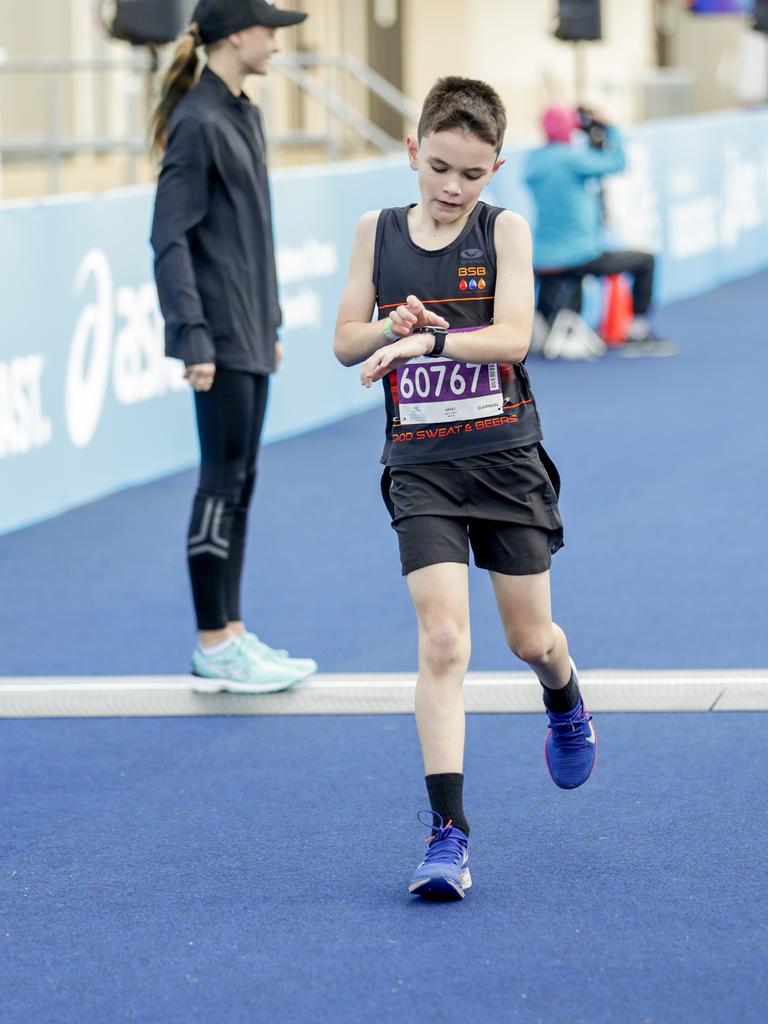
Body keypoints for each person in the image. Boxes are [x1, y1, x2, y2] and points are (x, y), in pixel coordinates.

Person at [333, 77, 596, 901]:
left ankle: (563, 692)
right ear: (413, 150)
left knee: (529, 640)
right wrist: (389, 328)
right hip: (420, 464)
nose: (451, 188)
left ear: (496, 168)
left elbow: (515, 339)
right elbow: (346, 341)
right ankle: (447, 835)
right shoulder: (374, 232)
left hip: (505, 458)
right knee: (444, 641)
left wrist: (430, 341)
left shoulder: (504, 231)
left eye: (471, 174)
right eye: (438, 166)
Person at [150, 0, 317, 693]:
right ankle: (212, 642)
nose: (278, 41)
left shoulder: (241, 113)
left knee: (242, 481)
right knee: (220, 482)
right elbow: (170, 239)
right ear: (237, 35)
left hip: (249, 331)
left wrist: (270, 324)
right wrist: (193, 335)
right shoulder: (196, 121)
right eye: (270, 29)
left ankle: (234, 632)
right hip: (216, 336)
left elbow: (253, 233)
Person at [525, 104, 676, 356]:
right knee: (645, 261)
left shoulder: (536, 160)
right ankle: (637, 330)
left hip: (541, 256)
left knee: (568, 278)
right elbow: (617, 162)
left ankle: (543, 329)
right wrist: (608, 128)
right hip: (580, 255)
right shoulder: (572, 159)